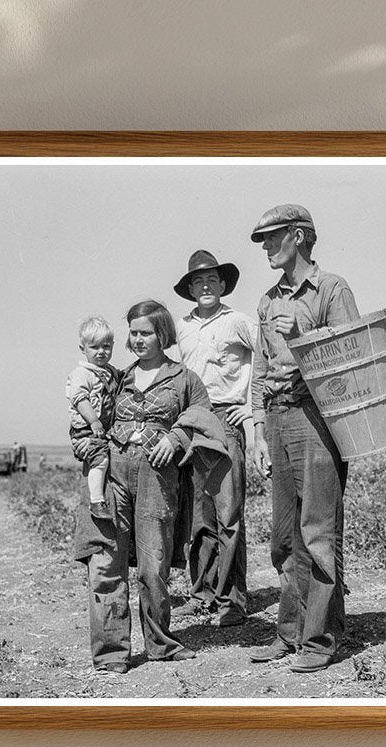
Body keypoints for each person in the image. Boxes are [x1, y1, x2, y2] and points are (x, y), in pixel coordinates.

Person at [74, 300, 229, 674]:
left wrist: (175, 438)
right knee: (106, 560)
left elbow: (201, 415)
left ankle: (159, 642)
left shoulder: (184, 378)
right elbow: (87, 413)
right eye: (134, 333)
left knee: (153, 562)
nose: (138, 339)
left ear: (163, 334)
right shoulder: (117, 377)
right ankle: (111, 653)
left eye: (145, 332)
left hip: (157, 479)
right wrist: (84, 441)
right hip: (113, 473)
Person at [247, 204, 358, 673]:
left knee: (317, 532)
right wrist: (255, 428)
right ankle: (291, 633)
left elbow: (352, 360)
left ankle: (321, 639)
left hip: (317, 418)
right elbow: (259, 369)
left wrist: (306, 333)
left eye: (272, 238)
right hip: (276, 419)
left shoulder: (332, 289)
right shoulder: (268, 300)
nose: (267, 248)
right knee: (283, 537)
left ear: (298, 236)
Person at [170, 249, 257, 628]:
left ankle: (232, 601)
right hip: (192, 420)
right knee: (199, 516)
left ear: (222, 285)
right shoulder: (181, 327)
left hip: (226, 417)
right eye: (197, 282)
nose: (205, 286)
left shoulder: (238, 321)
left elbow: (268, 356)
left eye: (211, 280)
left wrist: (253, 409)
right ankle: (202, 593)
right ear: (190, 289)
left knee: (229, 513)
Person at [65, 316, 121, 520]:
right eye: (94, 347)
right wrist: (94, 420)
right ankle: (96, 501)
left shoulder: (109, 372)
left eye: (106, 346)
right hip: (86, 430)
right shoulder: (82, 373)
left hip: (101, 430)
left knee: (107, 459)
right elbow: (79, 399)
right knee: (100, 459)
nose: (101, 352)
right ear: (83, 349)